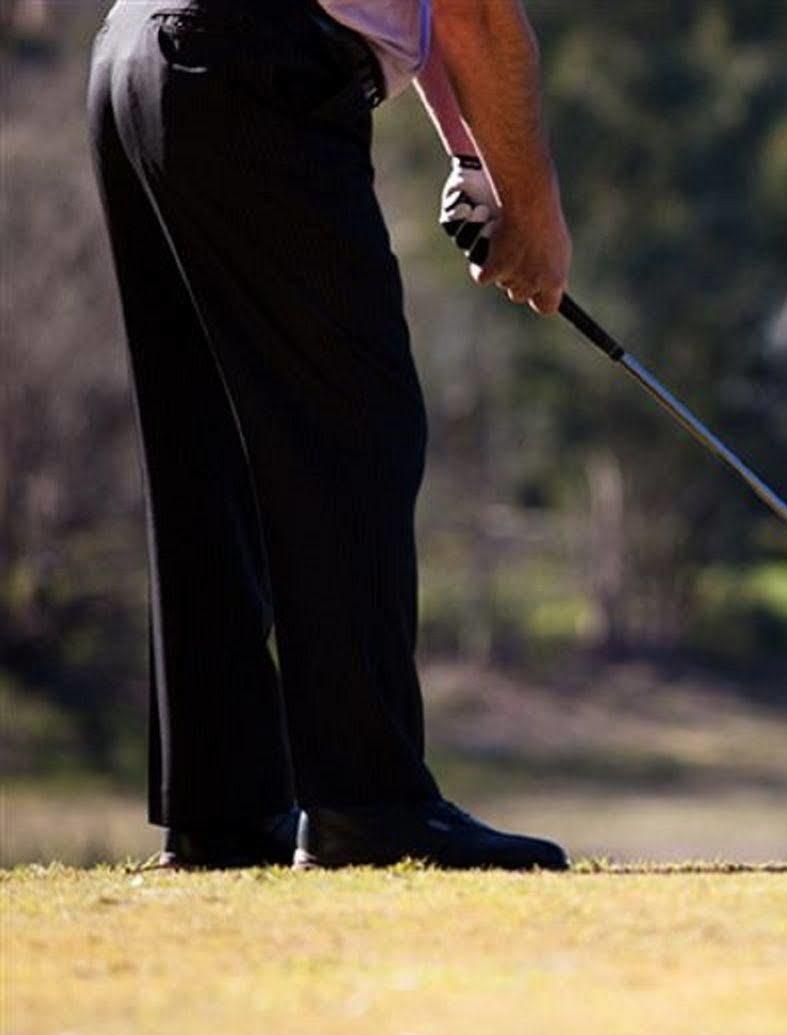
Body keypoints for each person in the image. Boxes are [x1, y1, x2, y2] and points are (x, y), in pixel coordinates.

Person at [89, 0, 572, 869]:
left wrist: (474, 159)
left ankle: (222, 811)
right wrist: (535, 216)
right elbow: (477, 16)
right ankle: (368, 803)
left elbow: (422, 16)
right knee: (357, 431)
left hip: (141, 57)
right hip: (251, 70)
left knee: (211, 449)